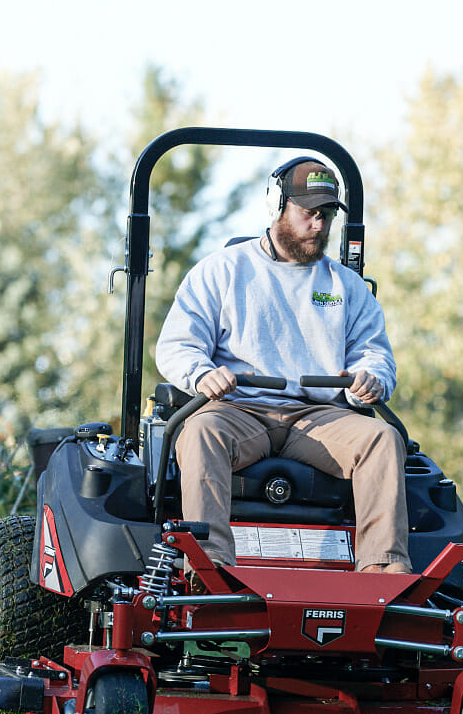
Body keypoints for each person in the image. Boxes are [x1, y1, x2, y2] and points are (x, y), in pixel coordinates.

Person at [152, 158, 410, 573]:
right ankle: (208, 566)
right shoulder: (223, 271)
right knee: (199, 431)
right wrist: (202, 373)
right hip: (237, 408)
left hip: (318, 414)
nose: (319, 225)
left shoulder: (345, 286)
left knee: (381, 438)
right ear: (278, 206)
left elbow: (374, 353)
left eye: (326, 216)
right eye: (309, 213)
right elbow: (177, 346)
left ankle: (383, 575)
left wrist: (371, 377)